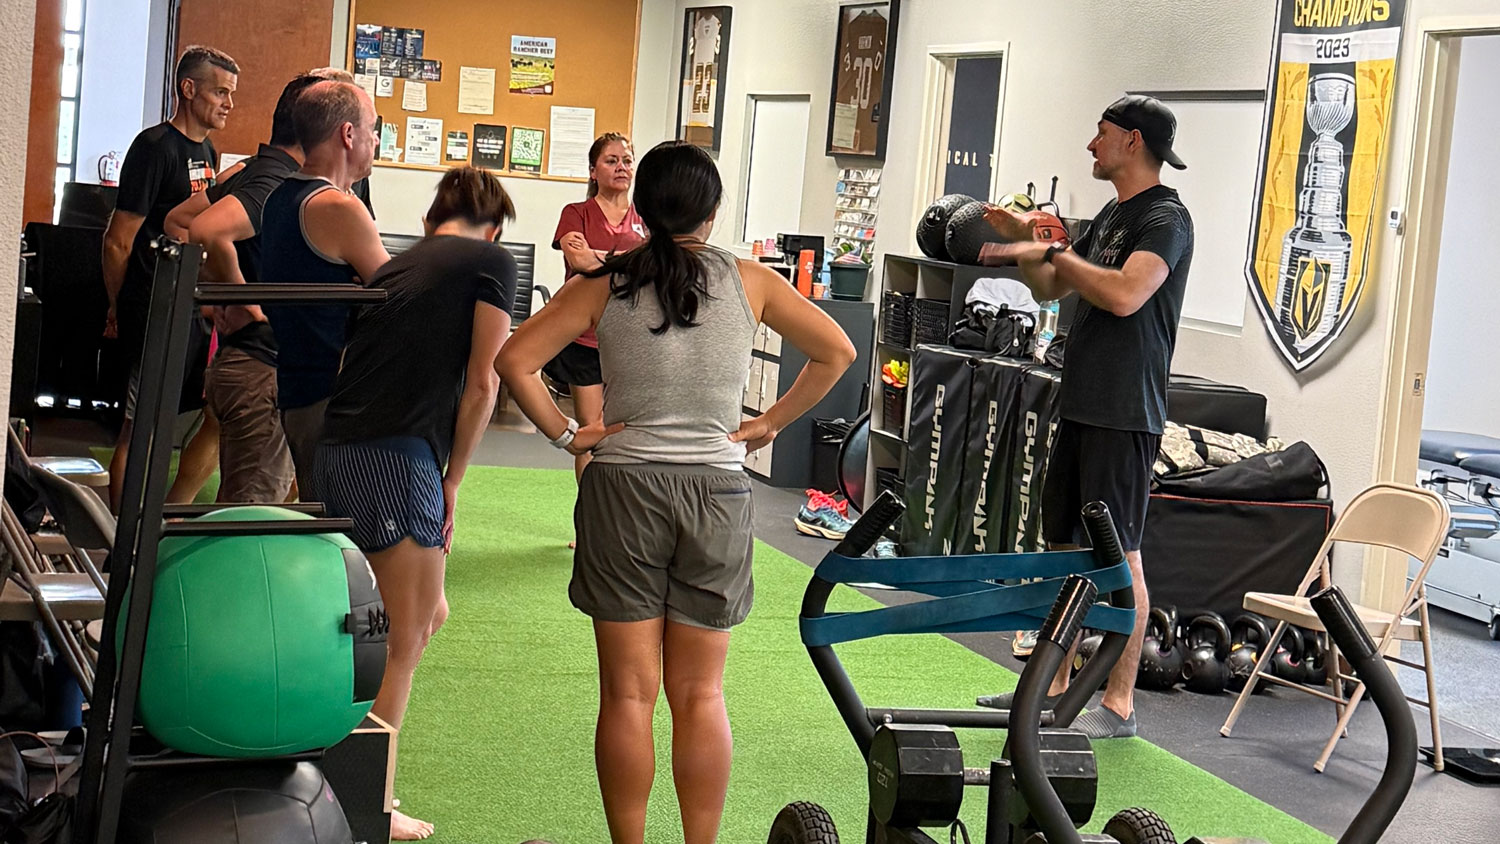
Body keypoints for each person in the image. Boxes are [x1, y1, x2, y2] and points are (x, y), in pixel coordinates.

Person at [497, 141, 856, 844]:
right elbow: (836, 351)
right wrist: (765, 426)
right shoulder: (750, 281)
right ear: (713, 212)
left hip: (624, 489)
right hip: (717, 492)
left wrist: (572, 436)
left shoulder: (606, 282)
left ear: (643, 209)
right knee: (700, 695)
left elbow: (515, 359)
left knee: (628, 695)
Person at [976, 95, 1195, 739]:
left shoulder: (1167, 219)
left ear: (1131, 140)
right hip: (1081, 402)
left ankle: (1119, 706)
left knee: (1121, 558)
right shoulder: (1111, 215)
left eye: (1099, 134)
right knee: (1066, 548)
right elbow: (1052, 289)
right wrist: (1029, 244)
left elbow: (1126, 294)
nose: (1090, 145)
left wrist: (1057, 251)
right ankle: (1057, 692)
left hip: (1126, 413)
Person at [317, 166, 517, 841]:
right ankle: (364, 798)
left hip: (341, 449)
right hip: (395, 457)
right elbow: (484, 383)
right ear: (493, 226)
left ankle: (339, 771)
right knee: (404, 635)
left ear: (435, 218)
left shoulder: (398, 267)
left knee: (428, 611)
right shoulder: (491, 260)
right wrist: (453, 480)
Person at [171, 73, 326, 503]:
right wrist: (240, 300)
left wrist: (217, 287)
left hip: (242, 359)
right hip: (258, 361)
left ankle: (168, 525)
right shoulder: (272, 183)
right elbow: (201, 229)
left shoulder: (249, 171)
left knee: (251, 485)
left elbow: (176, 222)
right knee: (250, 514)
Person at [101, 45, 238, 512]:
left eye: (231, 94)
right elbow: (119, 239)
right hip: (152, 303)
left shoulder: (207, 150)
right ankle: (119, 548)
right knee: (141, 429)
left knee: (172, 422)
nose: (227, 103)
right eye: (220, 92)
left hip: (188, 306)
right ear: (189, 88)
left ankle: (151, 528)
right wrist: (121, 306)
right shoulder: (154, 148)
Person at [258, 79, 390, 499]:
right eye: (372, 129)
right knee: (346, 528)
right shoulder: (338, 207)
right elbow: (401, 294)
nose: (375, 141)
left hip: (300, 391)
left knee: (325, 516)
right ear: (348, 135)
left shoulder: (280, 198)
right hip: (331, 399)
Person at [548, 133, 646, 489]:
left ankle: (619, 515)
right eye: (611, 160)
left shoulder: (646, 217)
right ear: (593, 170)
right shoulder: (576, 213)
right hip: (586, 341)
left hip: (633, 339)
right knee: (591, 433)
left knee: (626, 432)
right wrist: (629, 260)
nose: (621, 167)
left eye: (627, 160)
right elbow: (579, 261)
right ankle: (589, 519)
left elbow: (653, 267)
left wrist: (600, 256)